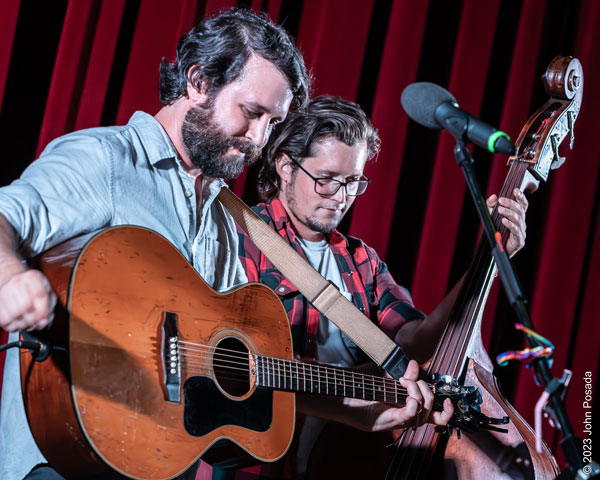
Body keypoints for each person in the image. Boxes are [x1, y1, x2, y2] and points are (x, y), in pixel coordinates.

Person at [0, 9, 310, 480]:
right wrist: (10, 278)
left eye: (273, 123)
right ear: (199, 82)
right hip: (62, 461)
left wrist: (363, 409)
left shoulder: (226, 220)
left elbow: (237, 363)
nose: (258, 140)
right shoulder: (105, 161)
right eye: (251, 113)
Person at [232, 95, 528, 477]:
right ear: (286, 166)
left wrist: (486, 257)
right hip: (264, 461)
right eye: (326, 181)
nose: (340, 198)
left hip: (352, 459)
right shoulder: (240, 238)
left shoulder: (361, 261)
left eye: (353, 182)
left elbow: (416, 341)